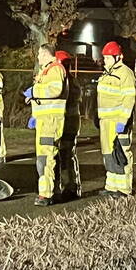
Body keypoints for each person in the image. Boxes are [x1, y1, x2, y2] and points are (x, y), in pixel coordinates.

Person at [25, 44, 66, 206]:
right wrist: (35, 114)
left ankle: (46, 194)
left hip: (50, 121)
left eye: (40, 54)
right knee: (44, 158)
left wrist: (34, 92)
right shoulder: (47, 70)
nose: (38, 57)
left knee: (46, 158)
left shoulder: (55, 69)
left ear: (48, 54)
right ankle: (49, 191)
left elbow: (55, 90)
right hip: (44, 121)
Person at [96, 41, 136, 197]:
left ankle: (124, 188)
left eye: (107, 58)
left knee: (122, 154)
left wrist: (123, 120)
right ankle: (112, 186)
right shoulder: (107, 74)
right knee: (108, 154)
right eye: (104, 58)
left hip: (119, 122)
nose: (104, 61)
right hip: (106, 121)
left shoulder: (125, 73)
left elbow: (129, 99)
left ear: (117, 57)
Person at [54, 50, 81, 200]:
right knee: (66, 156)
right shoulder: (72, 81)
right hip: (69, 124)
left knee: (64, 156)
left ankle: (69, 187)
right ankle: (69, 186)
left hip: (65, 125)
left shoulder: (65, 82)